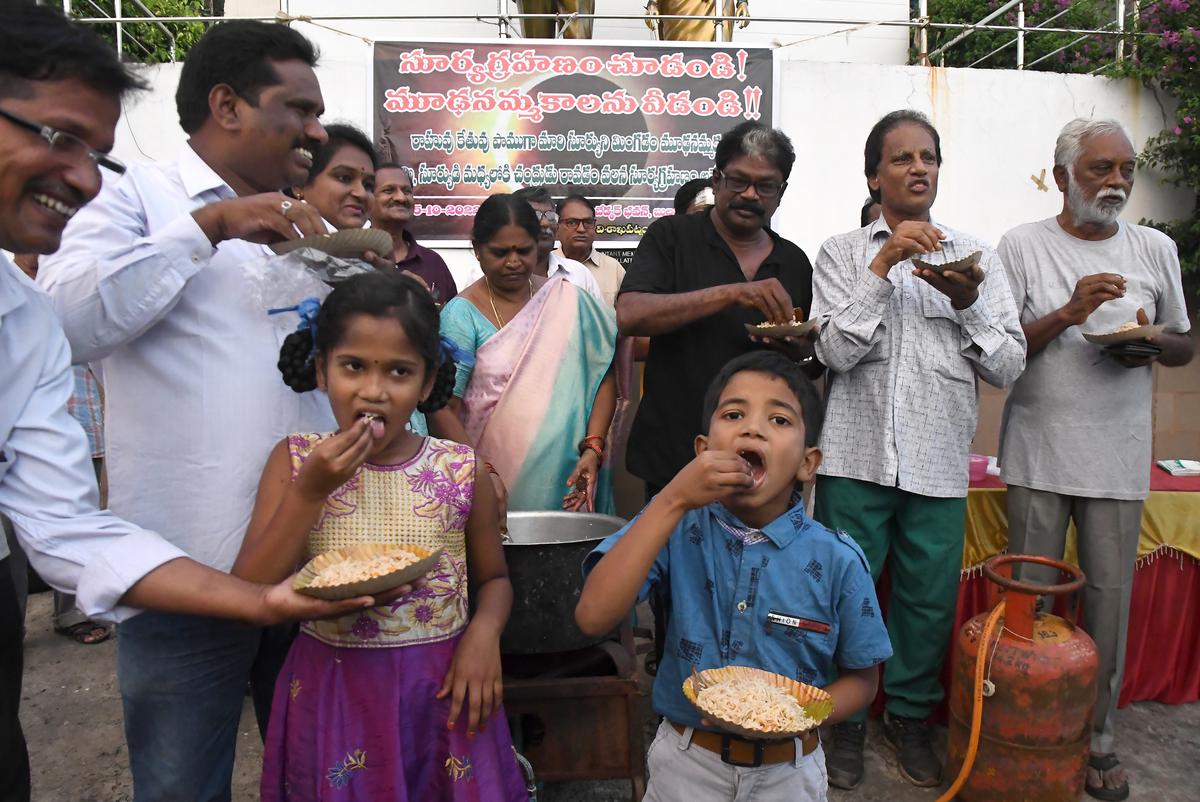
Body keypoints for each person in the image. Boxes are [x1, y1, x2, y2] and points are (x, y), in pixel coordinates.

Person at [0, 10, 406, 802]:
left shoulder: (300, 219)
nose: (317, 133)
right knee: (183, 786)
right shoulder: (135, 199)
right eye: (300, 109)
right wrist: (206, 229)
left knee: (324, 775)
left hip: (314, 570)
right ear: (228, 106)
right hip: (183, 573)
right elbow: (70, 322)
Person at [233, 271, 527, 800]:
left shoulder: (461, 468)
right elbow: (250, 585)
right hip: (335, 686)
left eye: (398, 371)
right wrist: (311, 491)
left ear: (427, 378)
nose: (374, 390)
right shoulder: (296, 461)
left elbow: (496, 578)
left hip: (442, 687)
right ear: (321, 369)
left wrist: (484, 635)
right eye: (353, 367)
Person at [810, 110, 1026, 790]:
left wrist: (966, 304)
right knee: (845, 591)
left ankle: (907, 715)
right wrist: (884, 263)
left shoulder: (975, 256)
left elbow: (1009, 366)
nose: (918, 167)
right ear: (874, 175)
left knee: (926, 602)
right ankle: (843, 719)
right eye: (901, 158)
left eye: (928, 156)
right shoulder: (842, 252)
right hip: (854, 455)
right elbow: (833, 352)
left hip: (936, 461)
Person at [576, 351, 892, 801]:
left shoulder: (838, 559)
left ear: (808, 463)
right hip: (687, 761)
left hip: (790, 770)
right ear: (703, 451)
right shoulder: (675, 526)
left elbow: (863, 680)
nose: (753, 427)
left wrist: (796, 716)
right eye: (734, 414)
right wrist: (672, 499)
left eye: (779, 420)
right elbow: (593, 615)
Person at [997, 118, 1194, 802]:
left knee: (1109, 605)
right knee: (1027, 599)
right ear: (1061, 177)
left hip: (1117, 456)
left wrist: (1153, 339)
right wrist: (1070, 311)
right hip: (1038, 454)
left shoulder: (1156, 248)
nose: (1115, 183)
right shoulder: (1021, 246)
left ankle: (1098, 735)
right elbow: (1003, 351)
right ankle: (1014, 723)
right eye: (1099, 170)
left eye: (1125, 170)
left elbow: (1183, 345)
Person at [617, 121, 815, 498]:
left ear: (781, 192)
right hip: (676, 455)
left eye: (765, 186)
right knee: (672, 557)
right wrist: (731, 293)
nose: (750, 195)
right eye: (738, 181)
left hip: (764, 464)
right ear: (717, 179)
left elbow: (809, 363)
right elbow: (631, 315)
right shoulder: (672, 237)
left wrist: (799, 350)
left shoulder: (794, 262)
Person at [435, 194, 618, 514]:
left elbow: (603, 376)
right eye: (500, 252)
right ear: (477, 249)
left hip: (572, 477)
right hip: (490, 482)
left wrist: (594, 447)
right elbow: (442, 409)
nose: (514, 261)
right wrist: (481, 472)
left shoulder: (568, 300)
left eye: (523, 250)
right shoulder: (460, 317)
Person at [373, 162, 458, 304]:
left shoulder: (433, 263)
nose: (401, 198)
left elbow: (450, 321)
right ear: (368, 198)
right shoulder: (352, 258)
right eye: (389, 190)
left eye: (407, 191)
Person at [512, 185, 604, 301]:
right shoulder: (488, 275)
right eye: (535, 216)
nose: (545, 223)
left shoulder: (579, 275)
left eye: (550, 216)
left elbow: (597, 319)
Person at [288, 122, 377, 231]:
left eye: (368, 186)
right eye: (345, 178)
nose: (361, 194)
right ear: (300, 185)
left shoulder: (374, 245)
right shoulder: (271, 244)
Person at [555, 193, 625, 308]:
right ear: (557, 228)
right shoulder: (545, 266)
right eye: (572, 222)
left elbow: (625, 317)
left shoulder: (614, 269)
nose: (581, 229)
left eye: (588, 222)